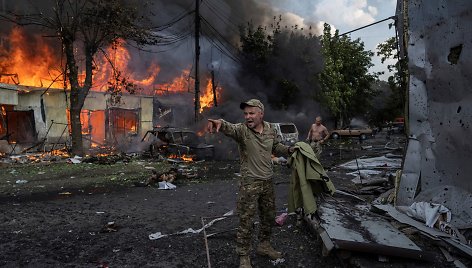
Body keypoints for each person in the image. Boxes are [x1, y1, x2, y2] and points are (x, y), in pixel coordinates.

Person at [207, 99, 293, 268]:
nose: (248, 117)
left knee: (268, 218)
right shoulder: (242, 131)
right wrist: (219, 123)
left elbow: (276, 147)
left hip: (268, 181)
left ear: (261, 113)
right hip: (250, 183)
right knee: (246, 220)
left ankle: (264, 246)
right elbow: (229, 127)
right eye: (245, 114)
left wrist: (290, 150)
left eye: (251, 113)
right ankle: (244, 255)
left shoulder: (270, 129)